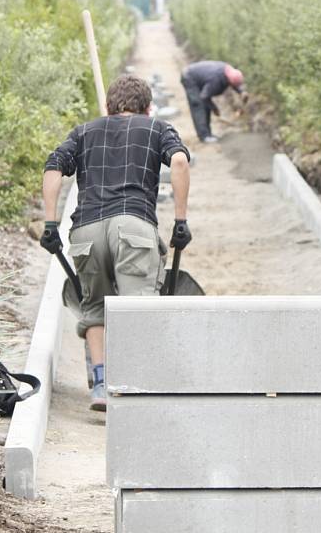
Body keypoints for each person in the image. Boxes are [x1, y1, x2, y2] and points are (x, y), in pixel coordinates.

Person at [39, 74, 192, 411]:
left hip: (86, 230)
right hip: (133, 226)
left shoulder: (83, 132)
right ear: (147, 107)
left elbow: (53, 167)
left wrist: (51, 223)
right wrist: (180, 219)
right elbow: (179, 161)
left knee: (94, 307)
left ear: (108, 106)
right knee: (137, 307)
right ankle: (135, 384)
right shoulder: (157, 128)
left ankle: (101, 383)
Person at [180, 60, 249, 143]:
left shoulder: (229, 71)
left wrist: (241, 92)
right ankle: (204, 136)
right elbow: (204, 97)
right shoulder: (216, 80)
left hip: (199, 77)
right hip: (189, 77)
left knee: (206, 105)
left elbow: (234, 83)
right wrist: (214, 108)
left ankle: (208, 134)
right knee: (199, 105)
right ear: (228, 80)